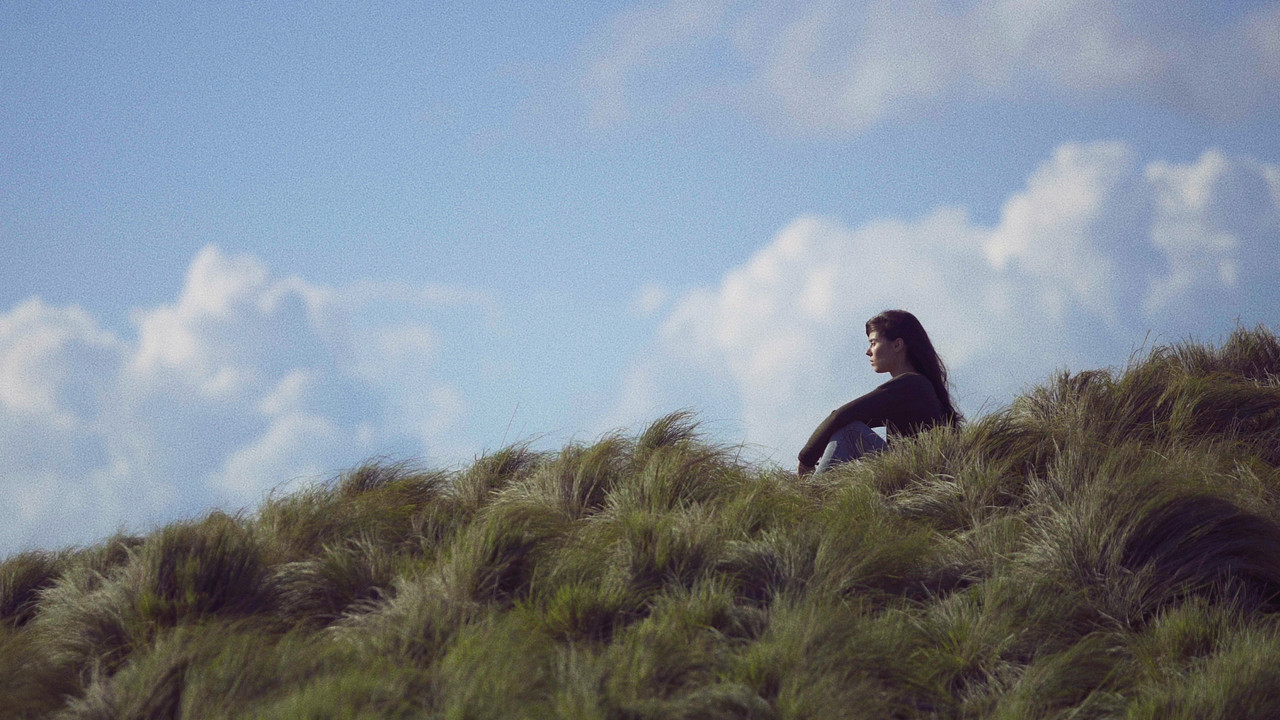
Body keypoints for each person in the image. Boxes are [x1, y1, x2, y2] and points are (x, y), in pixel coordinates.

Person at [798, 310, 961, 475]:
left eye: (873, 343)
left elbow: (839, 416)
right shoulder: (916, 387)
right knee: (848, 427)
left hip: (914, 476)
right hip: (912, 474)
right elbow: (845, 417)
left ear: (897, 345)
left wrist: (806, 459)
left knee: (850, 432)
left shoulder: (912, 385)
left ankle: (814, 494)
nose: (868, 351)